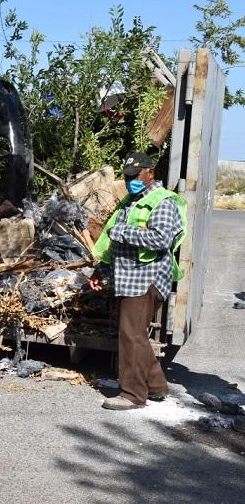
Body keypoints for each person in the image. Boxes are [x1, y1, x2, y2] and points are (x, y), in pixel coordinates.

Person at [90, 152, 186, 410]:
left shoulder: (162, 202)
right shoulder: (130, 202)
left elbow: (161, 239)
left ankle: (132, 395)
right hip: (127, 278)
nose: (131, 180)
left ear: (150, 173)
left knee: (131, 335)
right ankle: (156, 386)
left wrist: (120, 231)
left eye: (136, 175)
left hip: (146, 279)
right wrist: (103, 270)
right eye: (128, 176)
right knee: (135, 335)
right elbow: (114, 246)